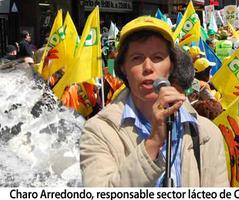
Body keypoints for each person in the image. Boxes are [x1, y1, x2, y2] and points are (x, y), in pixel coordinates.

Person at [80, 16, 229, 187]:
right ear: (123, 67)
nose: (148, 67)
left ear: (171, 66)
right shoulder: (98, 131)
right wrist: (153, 143)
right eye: (137, 58)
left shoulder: (207, 133)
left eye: (157, 57)